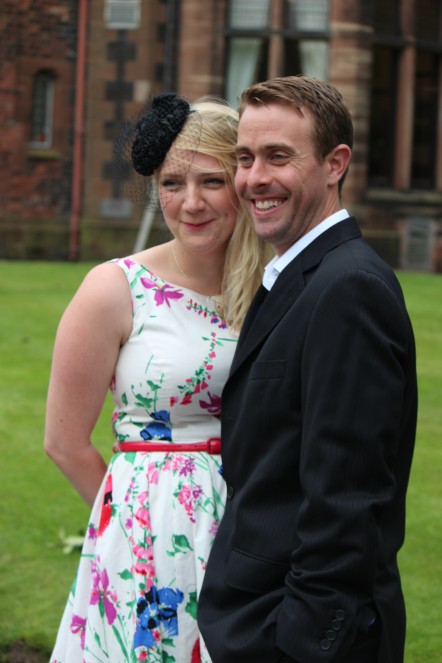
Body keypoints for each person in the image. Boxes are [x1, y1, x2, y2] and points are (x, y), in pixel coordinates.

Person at [44, 92, 271, 663]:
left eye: (211, 182)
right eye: (172, 183)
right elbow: (64, 442)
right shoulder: (114, 288)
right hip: (148, 537)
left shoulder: (277, 286)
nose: (190, 202)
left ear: (242, 183)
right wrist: (137, 522)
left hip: (258, 529)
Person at [198, 76, 418, 663]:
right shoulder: (299, 279)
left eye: (278, 157)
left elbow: (346, 498)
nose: (253, 179)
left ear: (334, 164)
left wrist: (301, 642)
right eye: (244, 158)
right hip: (253, 616)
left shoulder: (348, 289)